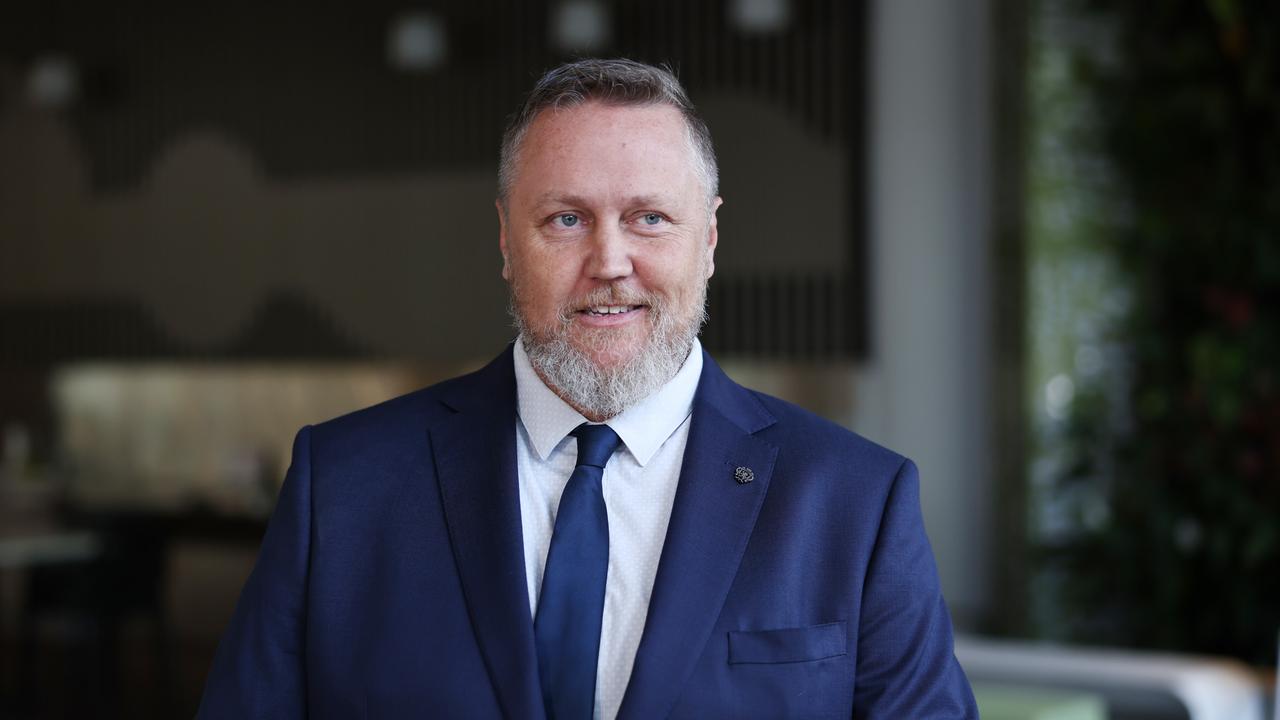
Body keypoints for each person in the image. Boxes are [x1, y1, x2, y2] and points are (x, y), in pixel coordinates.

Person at [198, 58, 977, 719]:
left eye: (648, 218)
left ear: (707, 238)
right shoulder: (342, 486)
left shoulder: (858, 503)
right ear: (507, 241)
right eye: (567, 219)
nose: (609, 261)